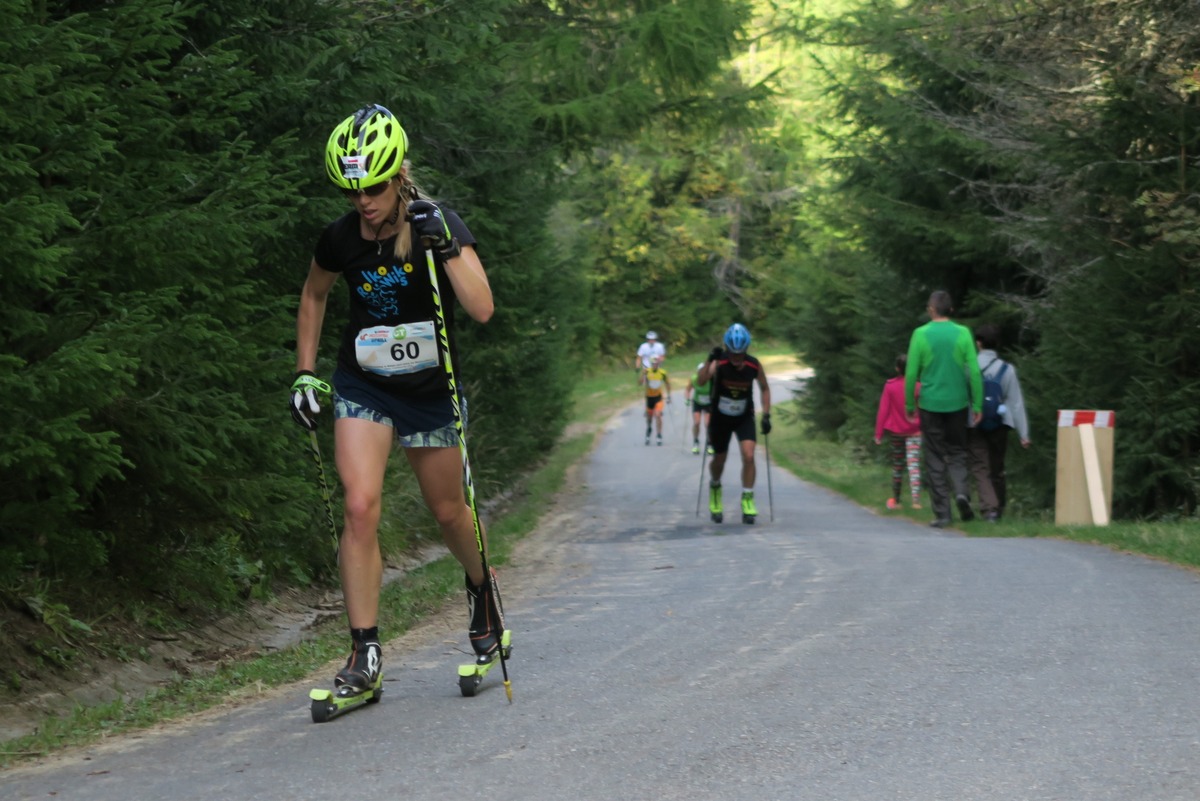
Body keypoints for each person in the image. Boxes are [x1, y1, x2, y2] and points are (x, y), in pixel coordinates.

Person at [289, 104, 506, 697]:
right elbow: (313, 296)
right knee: (360, 506)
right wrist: (306, 373)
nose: (364, 201)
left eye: (375, 188)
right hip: (364, 385)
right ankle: (365, 653)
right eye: (352, 190)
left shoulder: (438, 223)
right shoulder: (340, 238)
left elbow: (482, 308)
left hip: (431, 391)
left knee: (448, 513)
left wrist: (446, 247)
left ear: (400, 174)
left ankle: (482, 590)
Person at [904, 290, 983, 528]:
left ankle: (943, 513)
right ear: (951, 310)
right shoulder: (962, 333)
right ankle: (961, 493)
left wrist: (909, 403)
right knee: (958, 451)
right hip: (958, 403)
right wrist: (977, 403)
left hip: (930, 403)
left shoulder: (920, 334)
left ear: (930, 310)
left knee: (935, 456)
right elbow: (975, 372)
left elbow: (910, 373)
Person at [696, 323, 771, 524]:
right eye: (733, 354)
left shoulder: (754, 365)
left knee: (748, 455)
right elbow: (701, 381)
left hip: (743, 416)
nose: (736, 359)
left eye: (740, 354)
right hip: (720, 418)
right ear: (727, 350)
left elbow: (764, 388)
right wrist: (709, 360)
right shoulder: (719, 363)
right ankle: (715, 489)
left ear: (746, 350)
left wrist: (766, 415)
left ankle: (748, 500)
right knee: (719, 460)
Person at [967, 323, 1031, 521]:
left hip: (974, 422)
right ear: (997, 344)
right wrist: (1024, 433)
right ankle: (998, 508)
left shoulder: (969, 367)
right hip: (1000, 422)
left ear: (978, 343)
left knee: (980, 466)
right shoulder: (1007, 369)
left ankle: (989, 509)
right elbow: (1016, 402)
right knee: (997, 466)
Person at [874, 353, 922, 510]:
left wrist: (878, 433)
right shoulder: (918, 386)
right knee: (913, 465)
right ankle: (916, 501)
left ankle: (896, 499)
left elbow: (883, 410)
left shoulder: (890, 386)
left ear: (897, 368)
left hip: (897, 432)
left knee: (898, 465)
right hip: (915, 431)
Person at [641, 356, 671, 446]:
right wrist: (642, 375)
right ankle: (649, 429)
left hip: (658, 397)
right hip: (649, 398)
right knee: (649, 418)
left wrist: (669, 396)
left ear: (658, 364)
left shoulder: (662, 373)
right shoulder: (647, 372)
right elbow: (639, 383)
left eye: (656, 363)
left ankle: (659, 435)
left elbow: (667, 384)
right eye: (653, 363)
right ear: (651, 364)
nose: (655, 365)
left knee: (658, 415)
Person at [684, 361, 713, 455]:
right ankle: (696, 442)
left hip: (708, 403)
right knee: (697, 423)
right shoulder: (694, 379)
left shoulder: (710, 379)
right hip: (697, 402)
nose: (702, 373)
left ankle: (709, 443)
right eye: (700, 371)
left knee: (708, 424)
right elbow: (688, 390)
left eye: (704, 371)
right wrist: (687, 399)